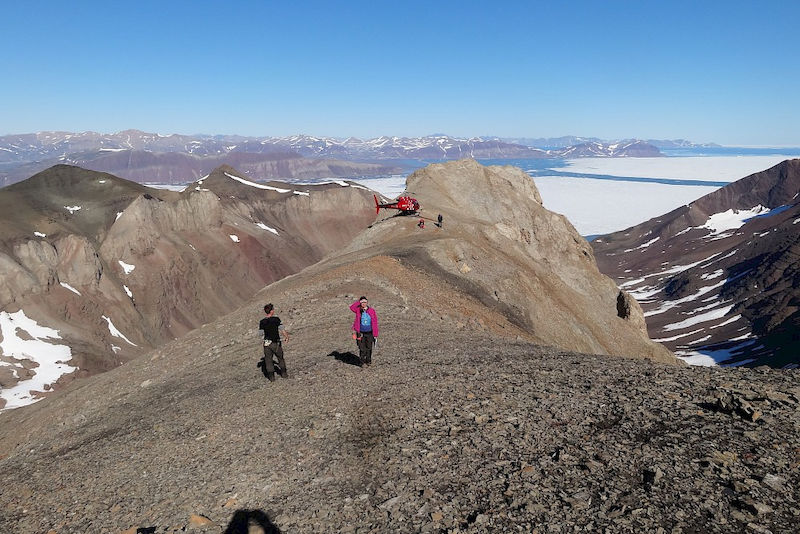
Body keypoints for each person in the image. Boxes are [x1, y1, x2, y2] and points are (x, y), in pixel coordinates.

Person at [259, 303, 290, 381]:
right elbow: (282, 329)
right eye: (273, 309)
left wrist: (265, 339)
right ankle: (284, 374)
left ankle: (271, 377)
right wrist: (286, 337)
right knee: (280, 358)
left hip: (266, 344)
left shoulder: (262, 322)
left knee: (268, 360)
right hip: (275, 342)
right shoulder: (276, 319)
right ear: (271, 311)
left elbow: (260, 334)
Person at [350, 296, 379, 366]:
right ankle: (362, 362)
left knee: (369, 347)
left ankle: (368, 361)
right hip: (360, 332)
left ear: (367, 302)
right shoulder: (358, 310)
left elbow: (375, 322)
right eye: (362, 302)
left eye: (365, 302)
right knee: (362, 348)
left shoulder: (372, 310)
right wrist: (358, 302)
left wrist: (375, 334)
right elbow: (351, 307)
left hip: (370, 332)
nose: (363, 303)